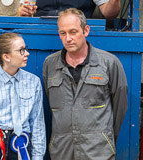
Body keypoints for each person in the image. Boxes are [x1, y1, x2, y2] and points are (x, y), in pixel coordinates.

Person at [43, 8, 128, 160]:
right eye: (63, 33)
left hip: (98, 153)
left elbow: (119, 107)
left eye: (73, 32)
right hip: (62, 152)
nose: (68, 38)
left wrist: (104, 138)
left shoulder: (109, 63)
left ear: (86, 30)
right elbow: (50, 104)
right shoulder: (50, 65)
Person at [17, 0, 121, 19]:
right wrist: (24, 12)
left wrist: (114, 0)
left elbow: (109, 13)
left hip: (77, 35)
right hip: (42, 32)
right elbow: (21, 10)